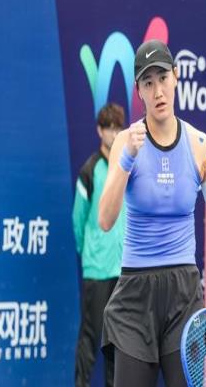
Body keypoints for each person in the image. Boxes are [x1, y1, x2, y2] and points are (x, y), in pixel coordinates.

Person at [99, 40, 206, 386]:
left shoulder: (200, 146)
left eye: (163, 78)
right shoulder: (125, 143)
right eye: (148, 83)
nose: (158, 91)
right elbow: (105, 220)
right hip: (134, 298)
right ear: (139, 90)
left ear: (176, 76)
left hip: (183, 297)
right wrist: (126, 159)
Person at [72, 102, 126, 387]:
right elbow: (78, 220)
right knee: (91, 338)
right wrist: (90, 253)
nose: (114, 134)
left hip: (124, 271)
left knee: (117, 342)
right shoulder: (90, 170)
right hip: (97, 269)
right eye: (108, 128)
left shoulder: (128, 167)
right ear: (99, 131)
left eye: (118, 128)